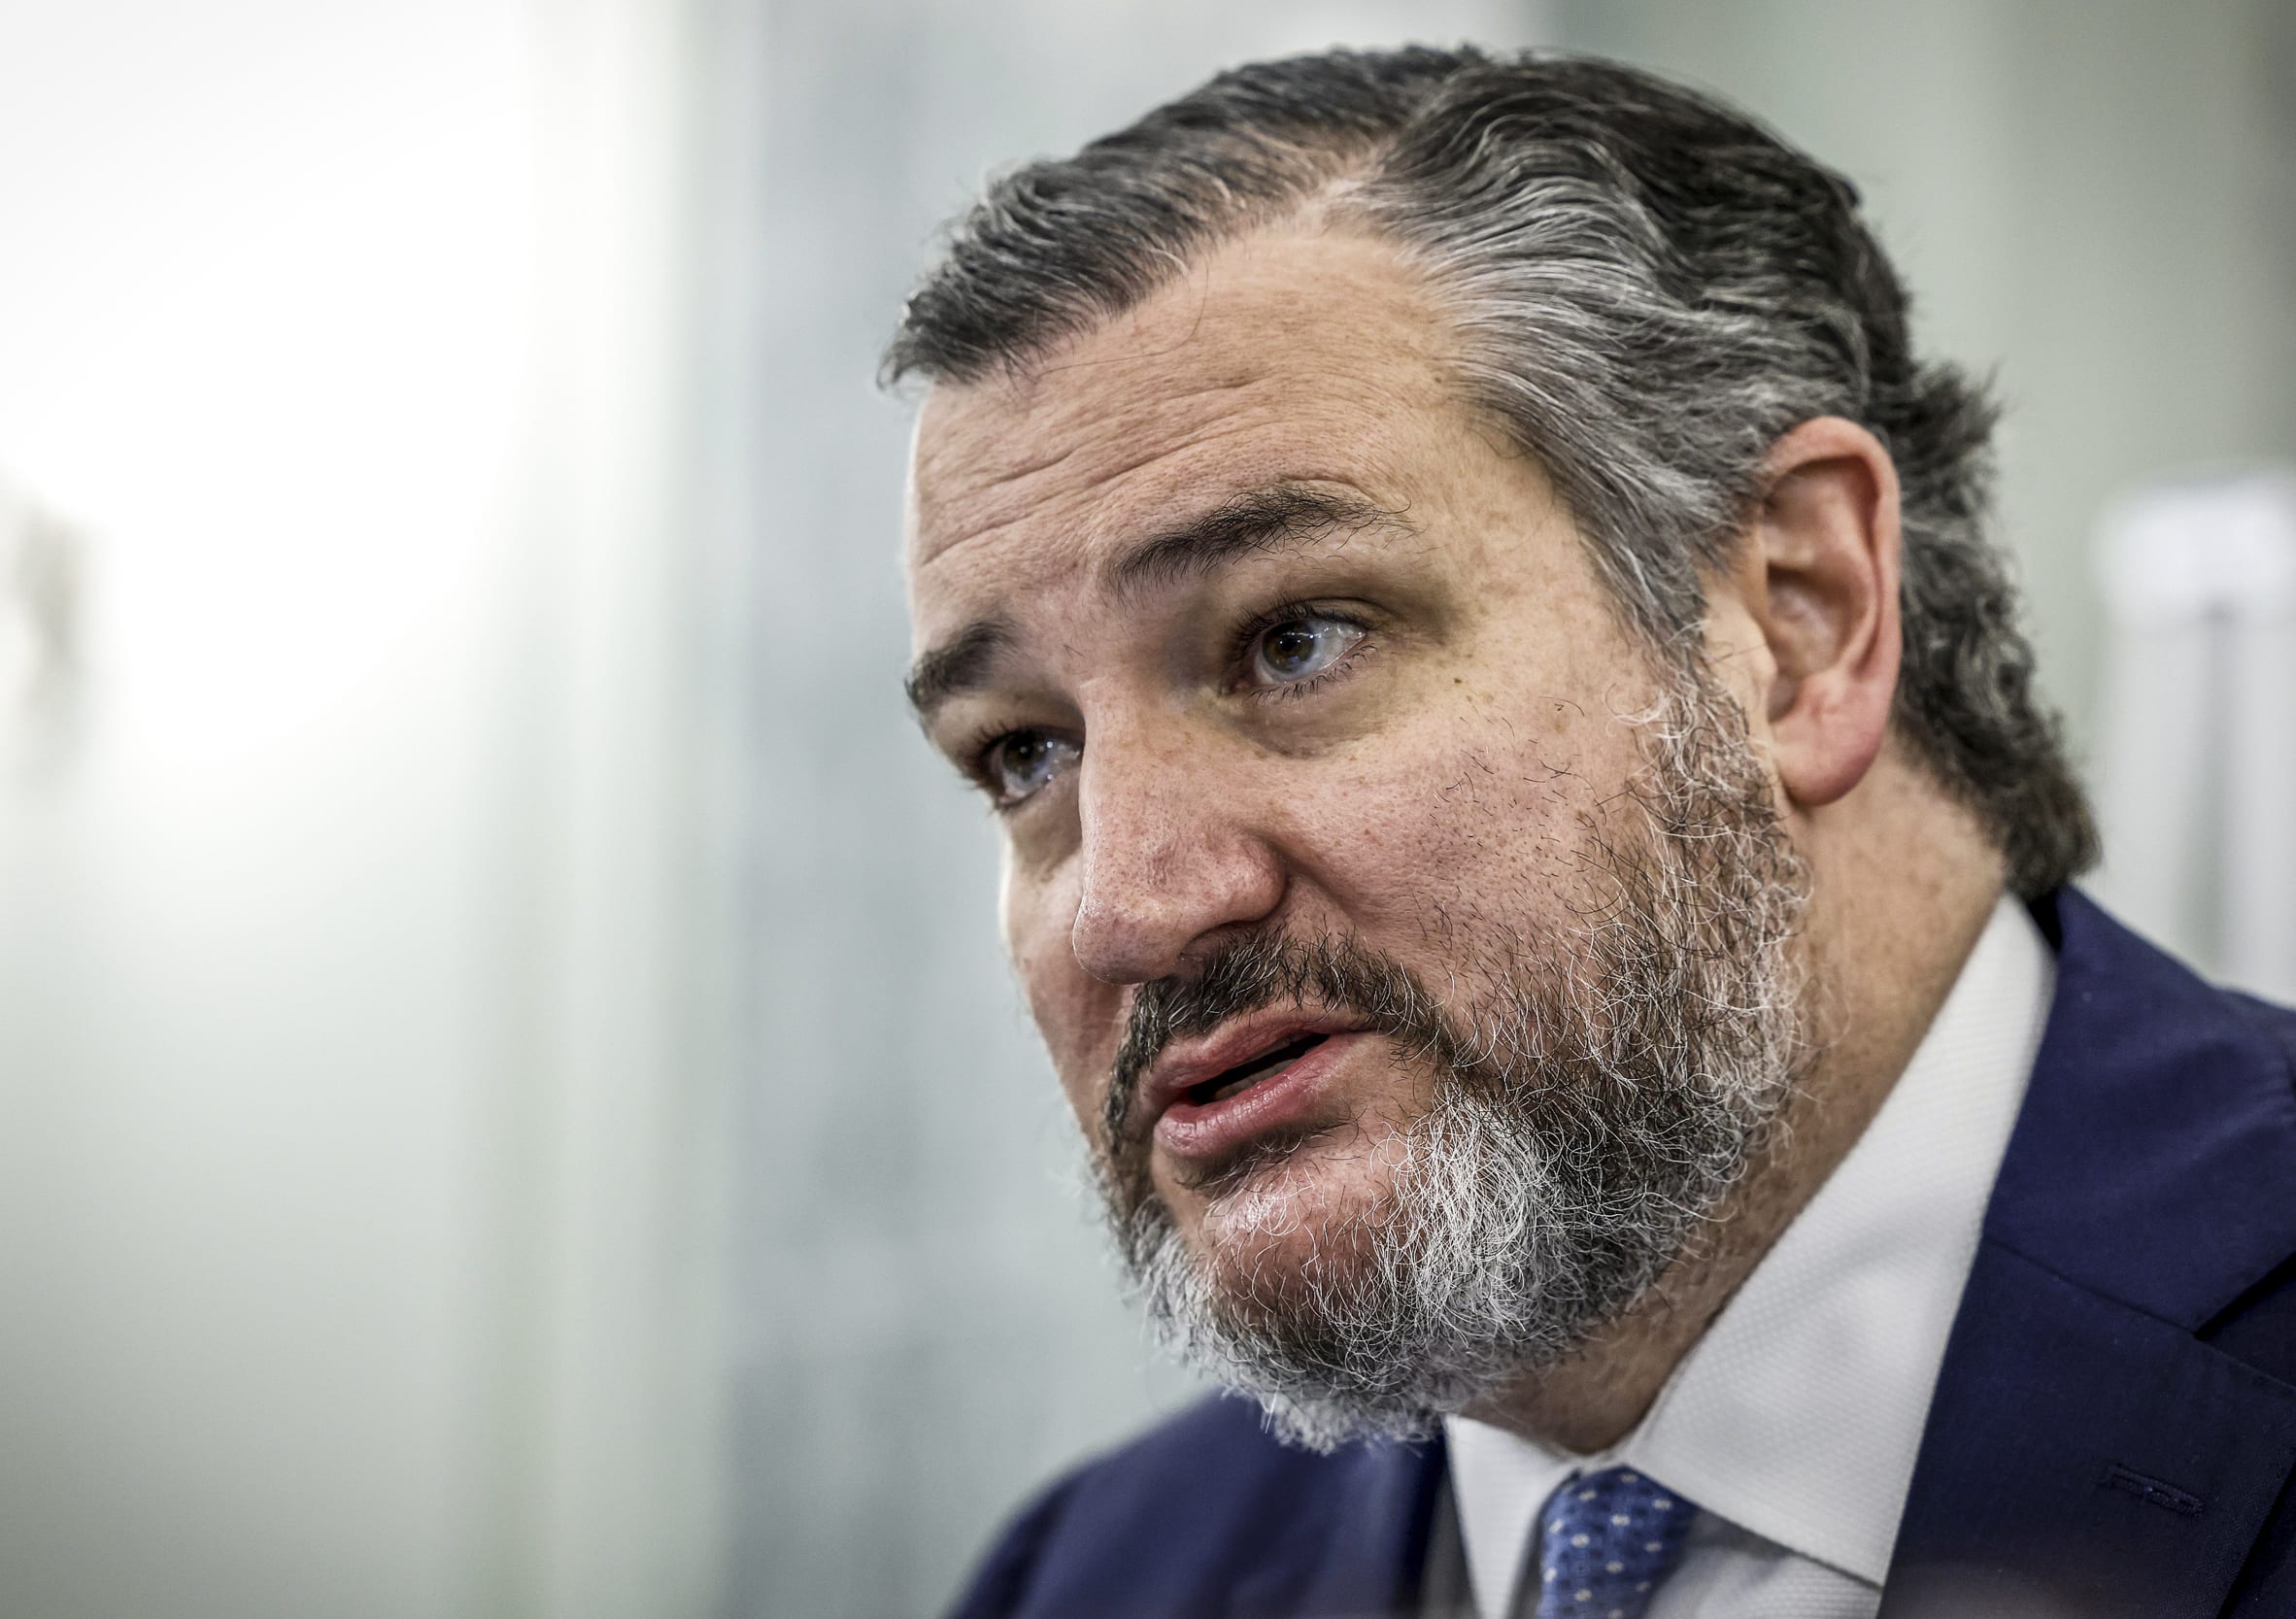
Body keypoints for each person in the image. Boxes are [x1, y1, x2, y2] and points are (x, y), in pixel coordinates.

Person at [887, 49, 2296, 1619]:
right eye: (1021, 753)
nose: (1128, 909)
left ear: (1799, 621)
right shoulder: (1088, 1581)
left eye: (1297, 640)